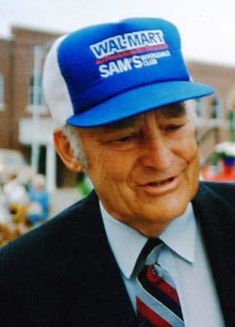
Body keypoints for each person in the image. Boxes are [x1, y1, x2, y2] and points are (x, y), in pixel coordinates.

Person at [0, 17, 234, 327]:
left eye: (173, 126)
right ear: (69, 151)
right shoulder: (18, 282)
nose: (161, 159)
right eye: (126, 137)